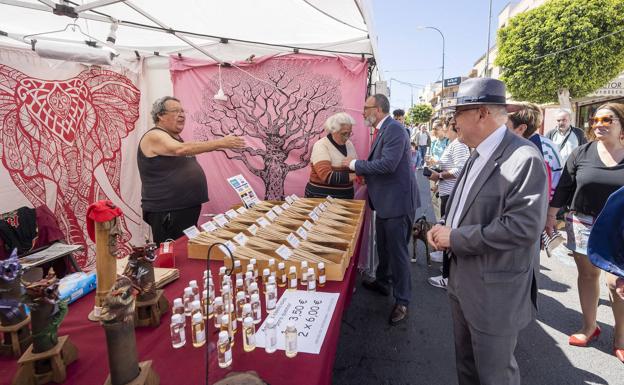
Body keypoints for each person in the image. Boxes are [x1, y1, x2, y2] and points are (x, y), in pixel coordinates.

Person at [427, 78, 548, 385]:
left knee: (494, 376)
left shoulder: (523, 157)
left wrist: (455, 238)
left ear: (481, 113)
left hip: (494, 293)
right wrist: (444, 225)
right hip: (462, 282)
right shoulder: (476, 153)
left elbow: (522, 228)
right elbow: (467, 207)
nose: (453, 122)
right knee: (467, 368)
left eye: (458, 114)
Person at [546, 102, 624, 362]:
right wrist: (549, 217)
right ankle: (590, 326)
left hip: (620, 227)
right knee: (588, 275)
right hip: (583, 222)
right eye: (595, 120)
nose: (599, 124)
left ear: (621, 124)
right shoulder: (581, 153)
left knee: (616, 282)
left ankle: (621, 337)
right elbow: (564, 188)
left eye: (607, 120)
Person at [342, 94, 419, 325]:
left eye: (365, 108)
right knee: (385, 248)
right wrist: (367, 176)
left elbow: (388, 164)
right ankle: (384, 282)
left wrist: (356, 165)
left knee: (397, 253)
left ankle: (403, 301)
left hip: (397, 202)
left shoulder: (394, 129)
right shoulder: (384, 129)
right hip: (387, 201)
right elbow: (387, 167)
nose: (363, 113)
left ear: (377, 109)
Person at [138, 96, 245, 244]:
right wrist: (221, 143)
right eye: (175, 111)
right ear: (160, 115)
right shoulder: (154, 136)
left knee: (184, 250)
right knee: (171, 255)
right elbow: (181, 149)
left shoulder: (175, 137)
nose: (182, 114)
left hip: (184, 208)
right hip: (168, 210)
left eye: (183, 111)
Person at [425, 118, 470, 289]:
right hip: (447, 191)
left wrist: (440, 176)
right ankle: (445, 268)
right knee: (445, 228)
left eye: (446, 126)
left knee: (448, 231)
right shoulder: (454, 143)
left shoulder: (458, 144)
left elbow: (460, 168)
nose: (443, 129)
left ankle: (447, 276)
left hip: (451, 193)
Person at [507, 102, 563, 199]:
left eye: (505, 125)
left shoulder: (546, 149)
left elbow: (555, 184)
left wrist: (549, 213)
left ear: (521, 128)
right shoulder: (505, 143)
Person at [305, 112, 358, 199]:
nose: (347, 137)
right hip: (321, 200)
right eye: (344, 133)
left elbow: (355, 168)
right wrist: (356, 176)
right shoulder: (321, 145)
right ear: (333, 131)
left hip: (345, 198)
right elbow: (327, 176)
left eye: (349, 133)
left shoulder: (349, 145)